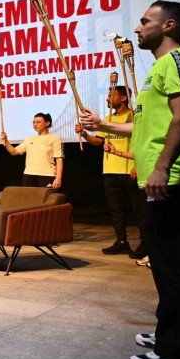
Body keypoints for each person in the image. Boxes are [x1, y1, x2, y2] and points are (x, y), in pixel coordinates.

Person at [79, 0, 180, 359]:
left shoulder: (177, 61)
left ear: (169, 25)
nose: (138, 28)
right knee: (163, 266)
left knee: (175, 269)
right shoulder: (158, 68)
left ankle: (175, 351)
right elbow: (142, 125)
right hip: (160, 180)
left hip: (173, 180)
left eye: (145, 21)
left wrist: (162, 167)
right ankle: (170, 332)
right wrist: (102, 124)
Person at [75, 86, 146, 258]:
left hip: (130, 169)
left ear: (123, 98)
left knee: (139, 210)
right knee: (116, 210)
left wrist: (138, 164)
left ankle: (146, 243)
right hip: (110, 169)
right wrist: (85, 134)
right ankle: (121, 241)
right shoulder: (107, 119)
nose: (107, 98)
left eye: (111, 95)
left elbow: (142, 142)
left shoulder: (134, 117)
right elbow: (98, 142)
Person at [1, 113, 64, 189]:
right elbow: (14, 152)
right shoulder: (29, 139)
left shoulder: (55, 139)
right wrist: (6, 140)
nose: (35, 124)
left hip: (47, 175)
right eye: (33, 122)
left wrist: (58, 178)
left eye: (38, 122)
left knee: (45, 197)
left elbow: (59, 159)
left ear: (47, 123)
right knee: (29, 197)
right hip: (29, 174)